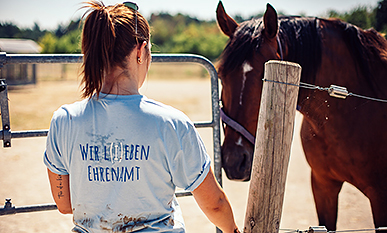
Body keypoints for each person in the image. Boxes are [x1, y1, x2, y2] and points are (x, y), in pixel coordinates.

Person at [43, 1, 240, 232]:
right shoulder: (172, 123)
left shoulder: (63, 120)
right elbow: (215, 204)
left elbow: (65, 204)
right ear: (140, 51)